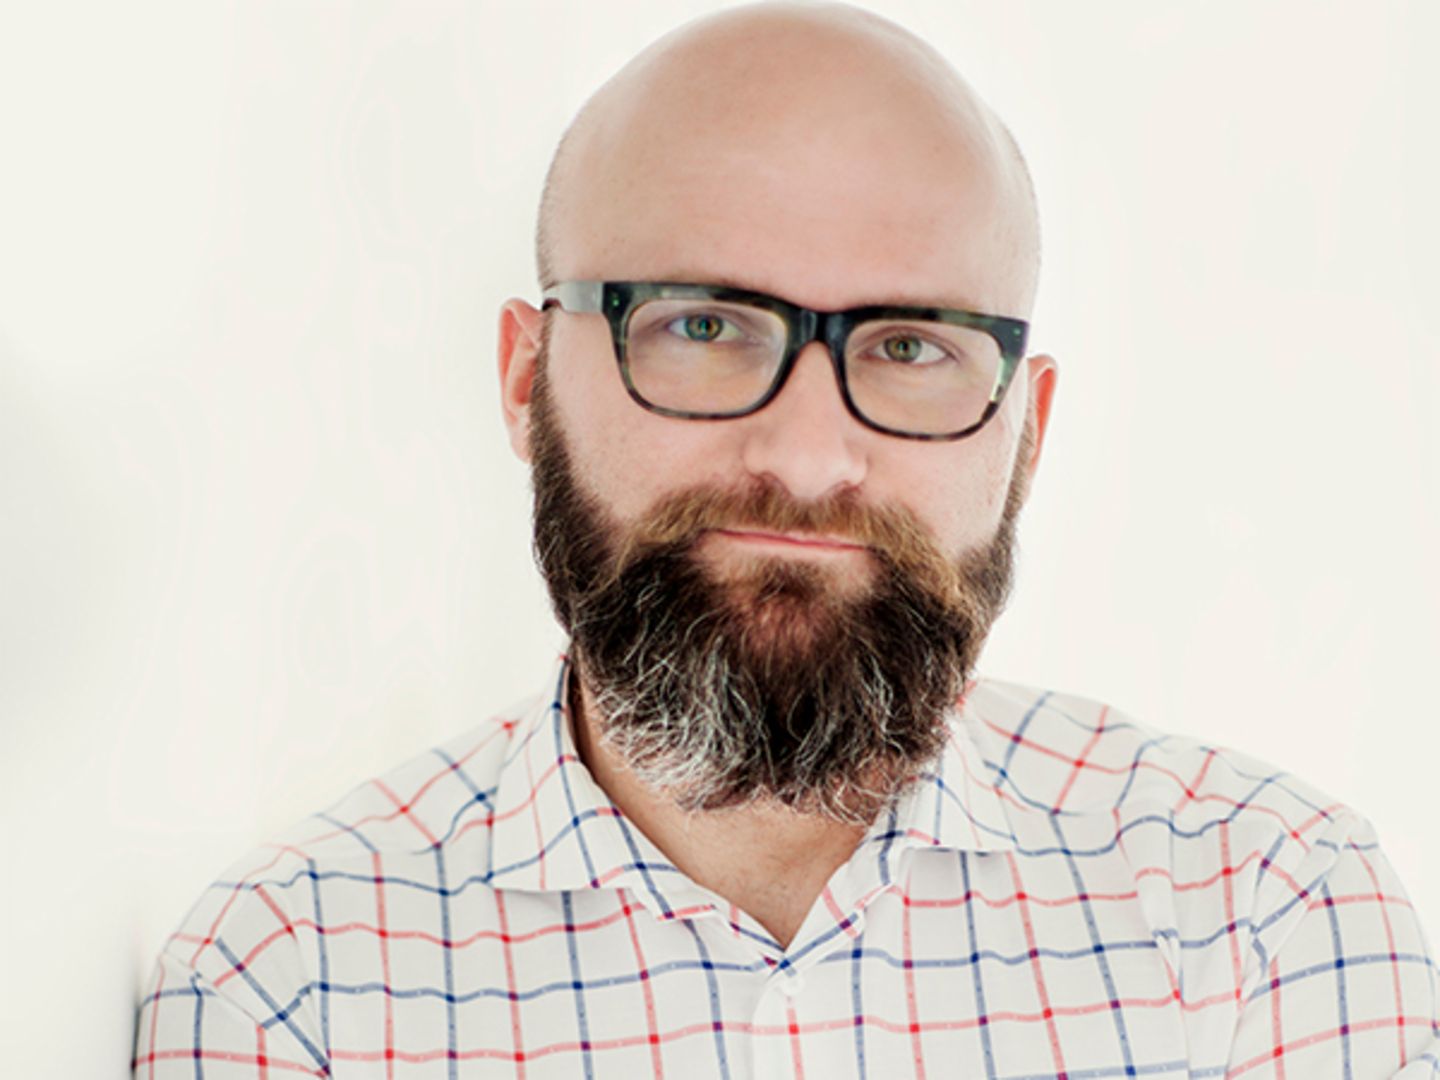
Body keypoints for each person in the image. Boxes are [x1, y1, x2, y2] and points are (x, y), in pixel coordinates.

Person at [132, 3, 1440, 1076]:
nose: (810, 456)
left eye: (913, 346)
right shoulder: (291, 988)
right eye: (702, 326)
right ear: (526, 381)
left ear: (1026, 434)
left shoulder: (1269, 921)